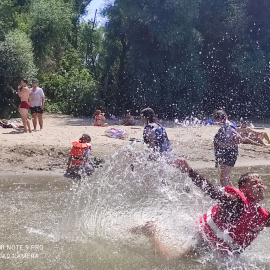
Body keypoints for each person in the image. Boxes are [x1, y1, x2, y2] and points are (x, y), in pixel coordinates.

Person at [135, 158, 270, 259]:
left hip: (222, 252)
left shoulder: (262, 215)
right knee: (168, 260)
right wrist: (189, 171)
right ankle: (151, 230)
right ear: (243, 189)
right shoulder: (235, 202)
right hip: (204, 240)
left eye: (261, 183)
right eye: (254, 183)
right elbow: (212, 191)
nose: (260, 186)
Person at [213, 110, 243, 187]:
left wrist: (225, 145)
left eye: (217, 121)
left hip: (229, 154)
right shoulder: (227, 125)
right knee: (227, 178)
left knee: (223, 179)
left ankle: (227, 197)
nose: (217, 123)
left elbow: (239, 139)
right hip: (229, 153)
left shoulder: (229, 127)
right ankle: (234, 195)